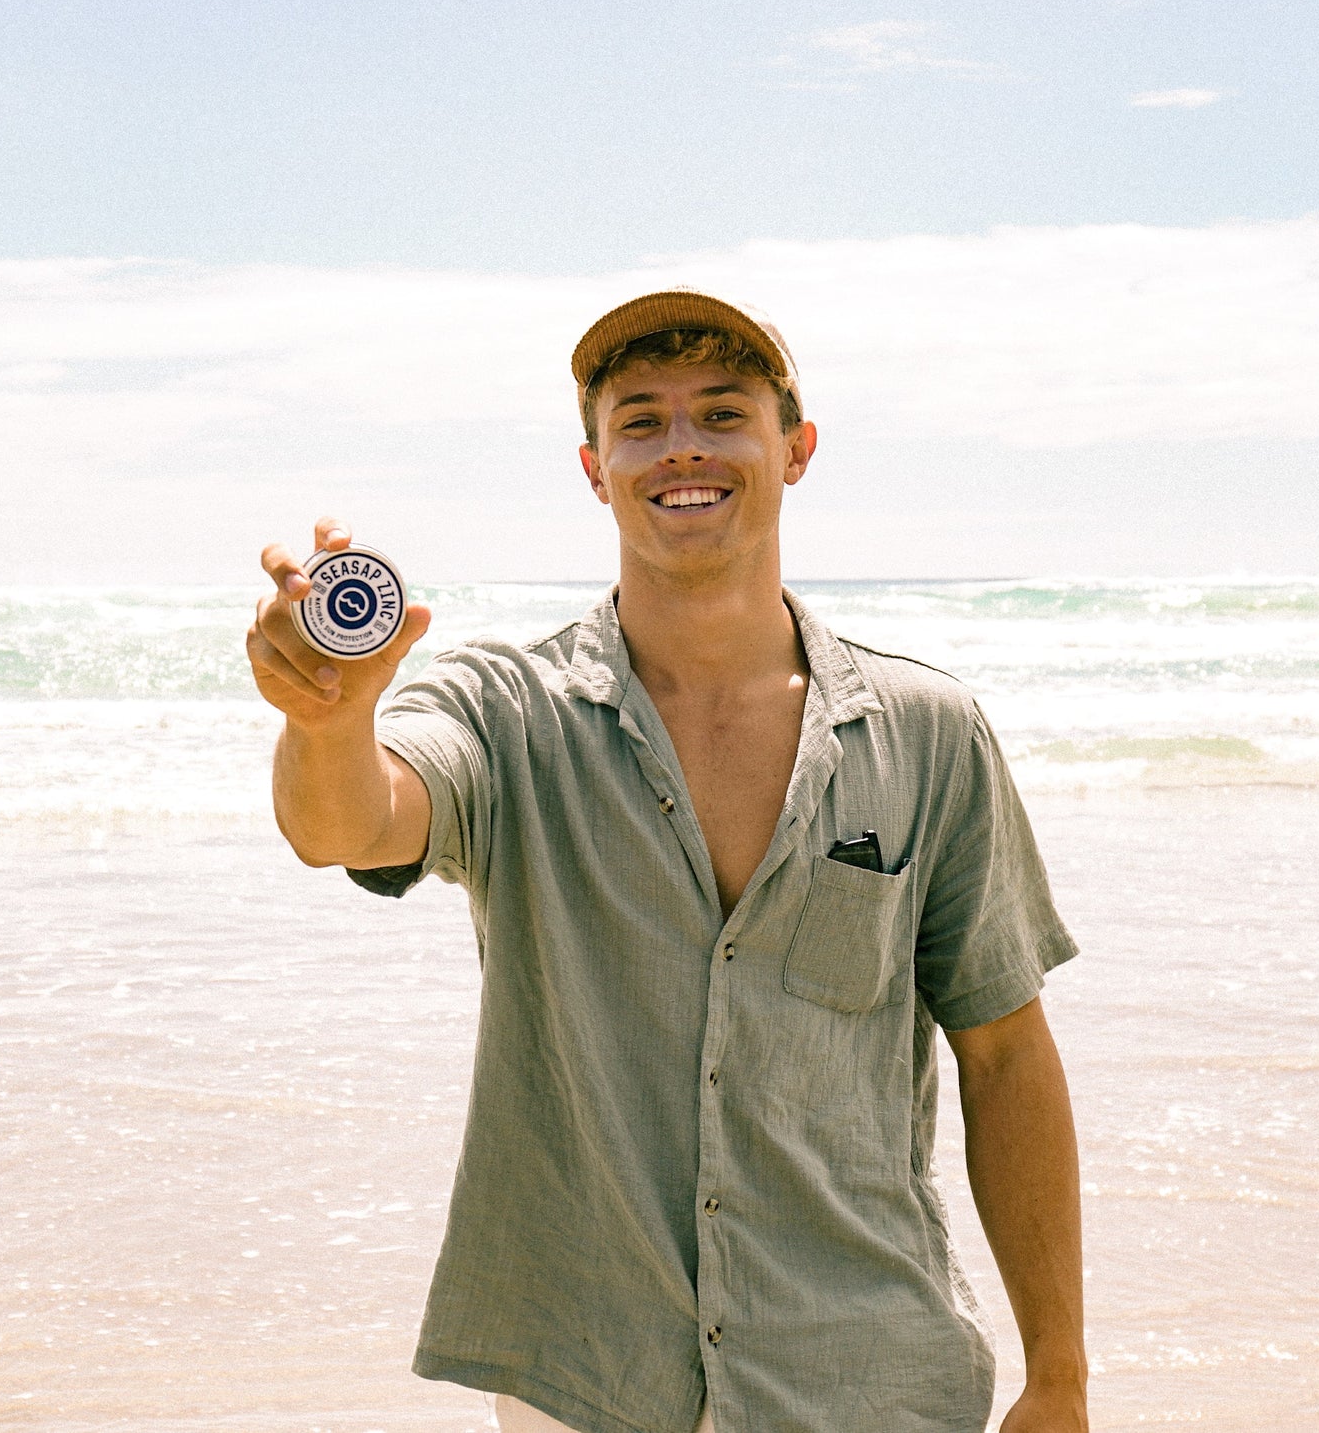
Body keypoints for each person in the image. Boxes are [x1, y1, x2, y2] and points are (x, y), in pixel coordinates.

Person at [245, 289, 1086, 1433]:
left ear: (793, 450)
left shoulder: (925, 731)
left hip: (868, 1368)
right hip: (586, 1375)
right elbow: (345, 825)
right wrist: (329, 718)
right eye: (638, 421)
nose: (679, 447)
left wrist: (1059, 1374)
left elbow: (1003, 1054)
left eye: (721, 412)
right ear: (594, 468)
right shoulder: (506, 712)